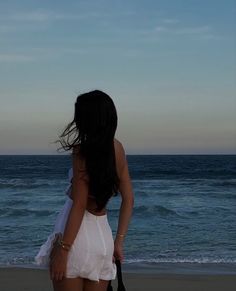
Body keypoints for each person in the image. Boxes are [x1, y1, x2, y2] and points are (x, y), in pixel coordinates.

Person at [35, 90, 134, 291]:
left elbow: (79, 205)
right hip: (103, 241)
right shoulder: (118, 148)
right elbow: (129, 199)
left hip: (76, 241)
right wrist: (119, 242)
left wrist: (63, 250)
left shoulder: (82, 151)